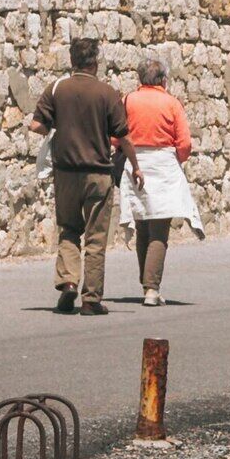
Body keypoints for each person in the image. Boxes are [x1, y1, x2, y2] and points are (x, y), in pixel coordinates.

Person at [29, 39, 129, 315]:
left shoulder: (57, 89)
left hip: (66, 173)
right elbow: (122, 134)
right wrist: (134, 163)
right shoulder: (107, 93)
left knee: (69, 230)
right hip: (98, 173)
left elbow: (36, 124)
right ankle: (91, 299)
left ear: (72, 61)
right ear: (94, 62)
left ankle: (69, 281)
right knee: (96, 237)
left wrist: (60, 129)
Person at [119, 56, 200, 307]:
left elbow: (117, 135)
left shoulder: (128, 100)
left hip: (136, 163)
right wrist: (177, 160)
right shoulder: (172, 103)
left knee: (143, 223)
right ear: (163, 79)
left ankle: (147, 283)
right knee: (159, 229)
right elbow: (184, 143)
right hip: (163, 165)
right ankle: (152, 288)